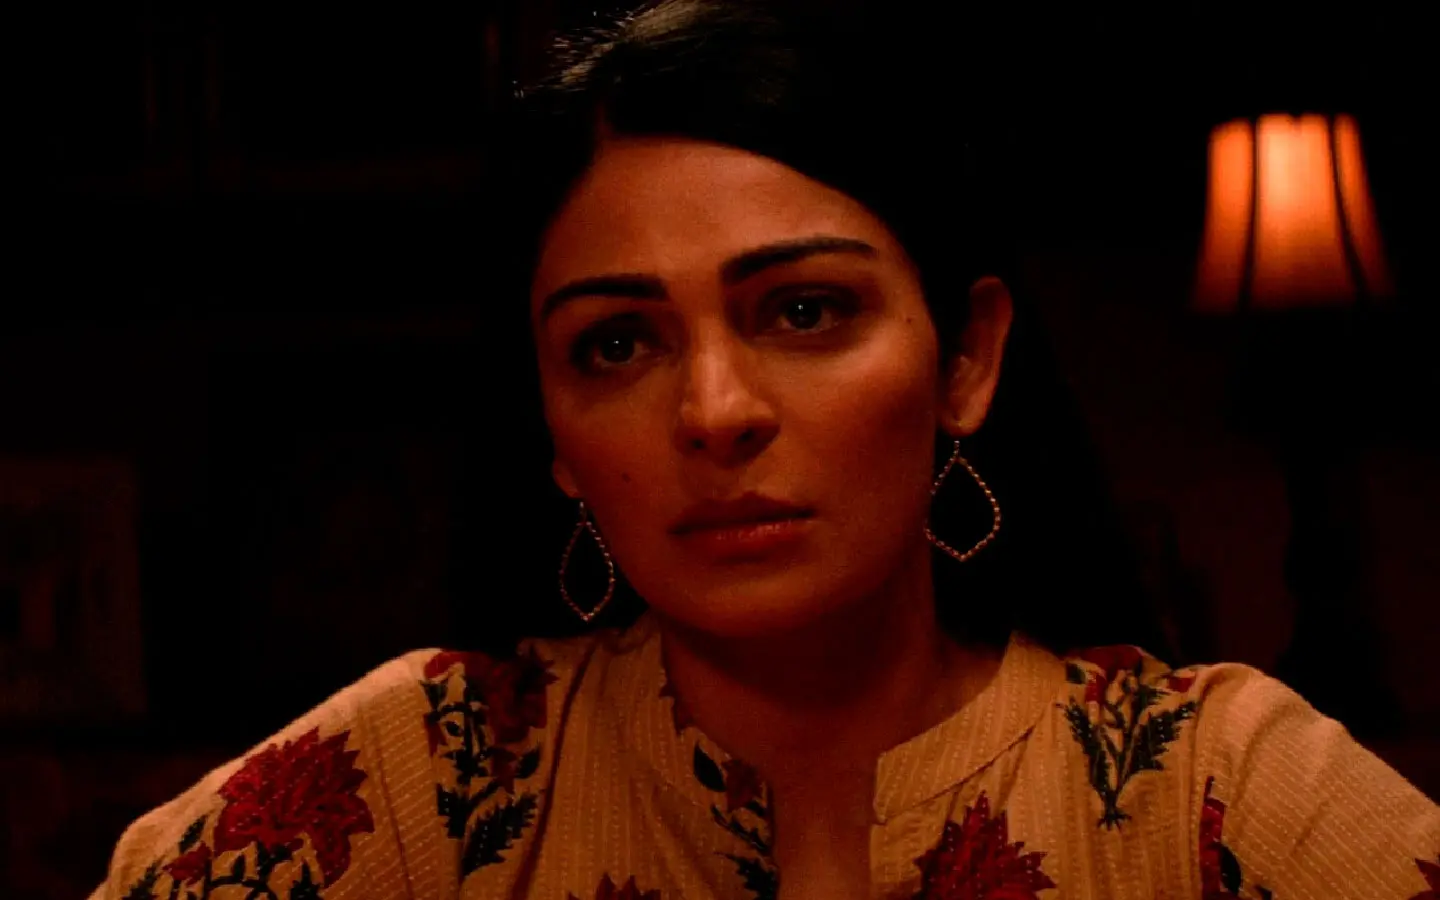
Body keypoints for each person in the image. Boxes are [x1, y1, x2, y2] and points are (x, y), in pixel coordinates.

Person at [90, 2, 1439, 898]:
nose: (714, 409)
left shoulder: (1211, 785)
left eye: (803, 311)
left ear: (966, 360)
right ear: (552, 428)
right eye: (617, 343)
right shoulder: (429, 777)